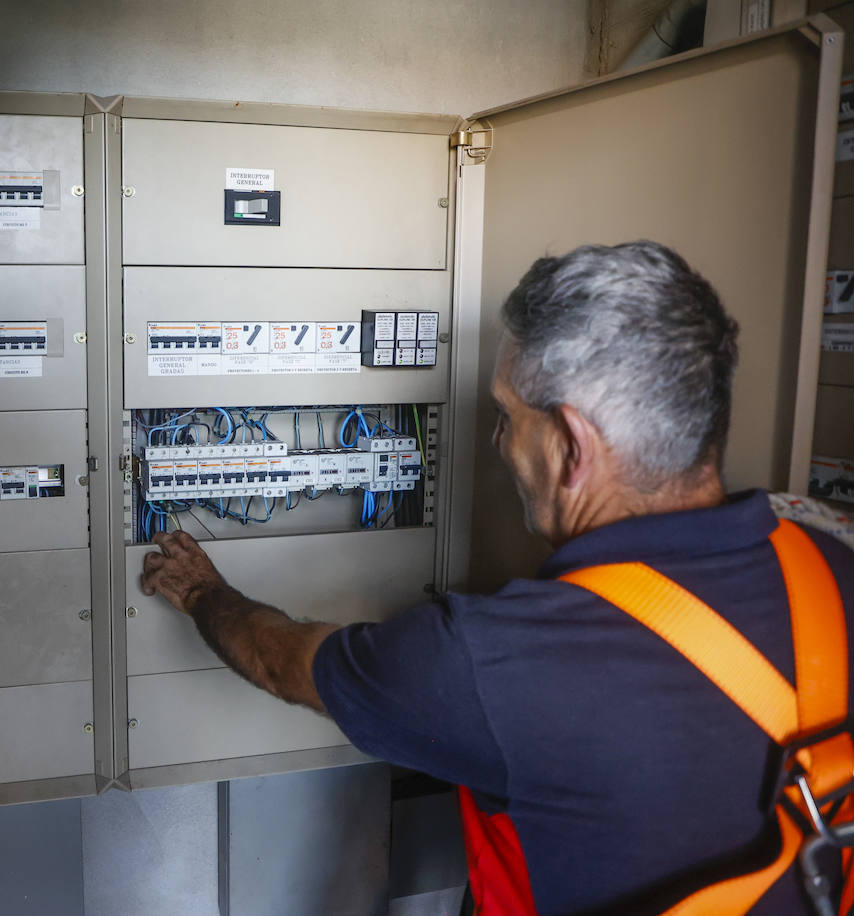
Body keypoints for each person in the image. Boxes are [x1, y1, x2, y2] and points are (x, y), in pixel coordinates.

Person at [139, 240, 854, 915]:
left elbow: (281, 660)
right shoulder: (830, 559)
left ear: (571, 445)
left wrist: (203, 591)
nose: (499, 444)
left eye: (507, 418)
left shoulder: (495, 663)